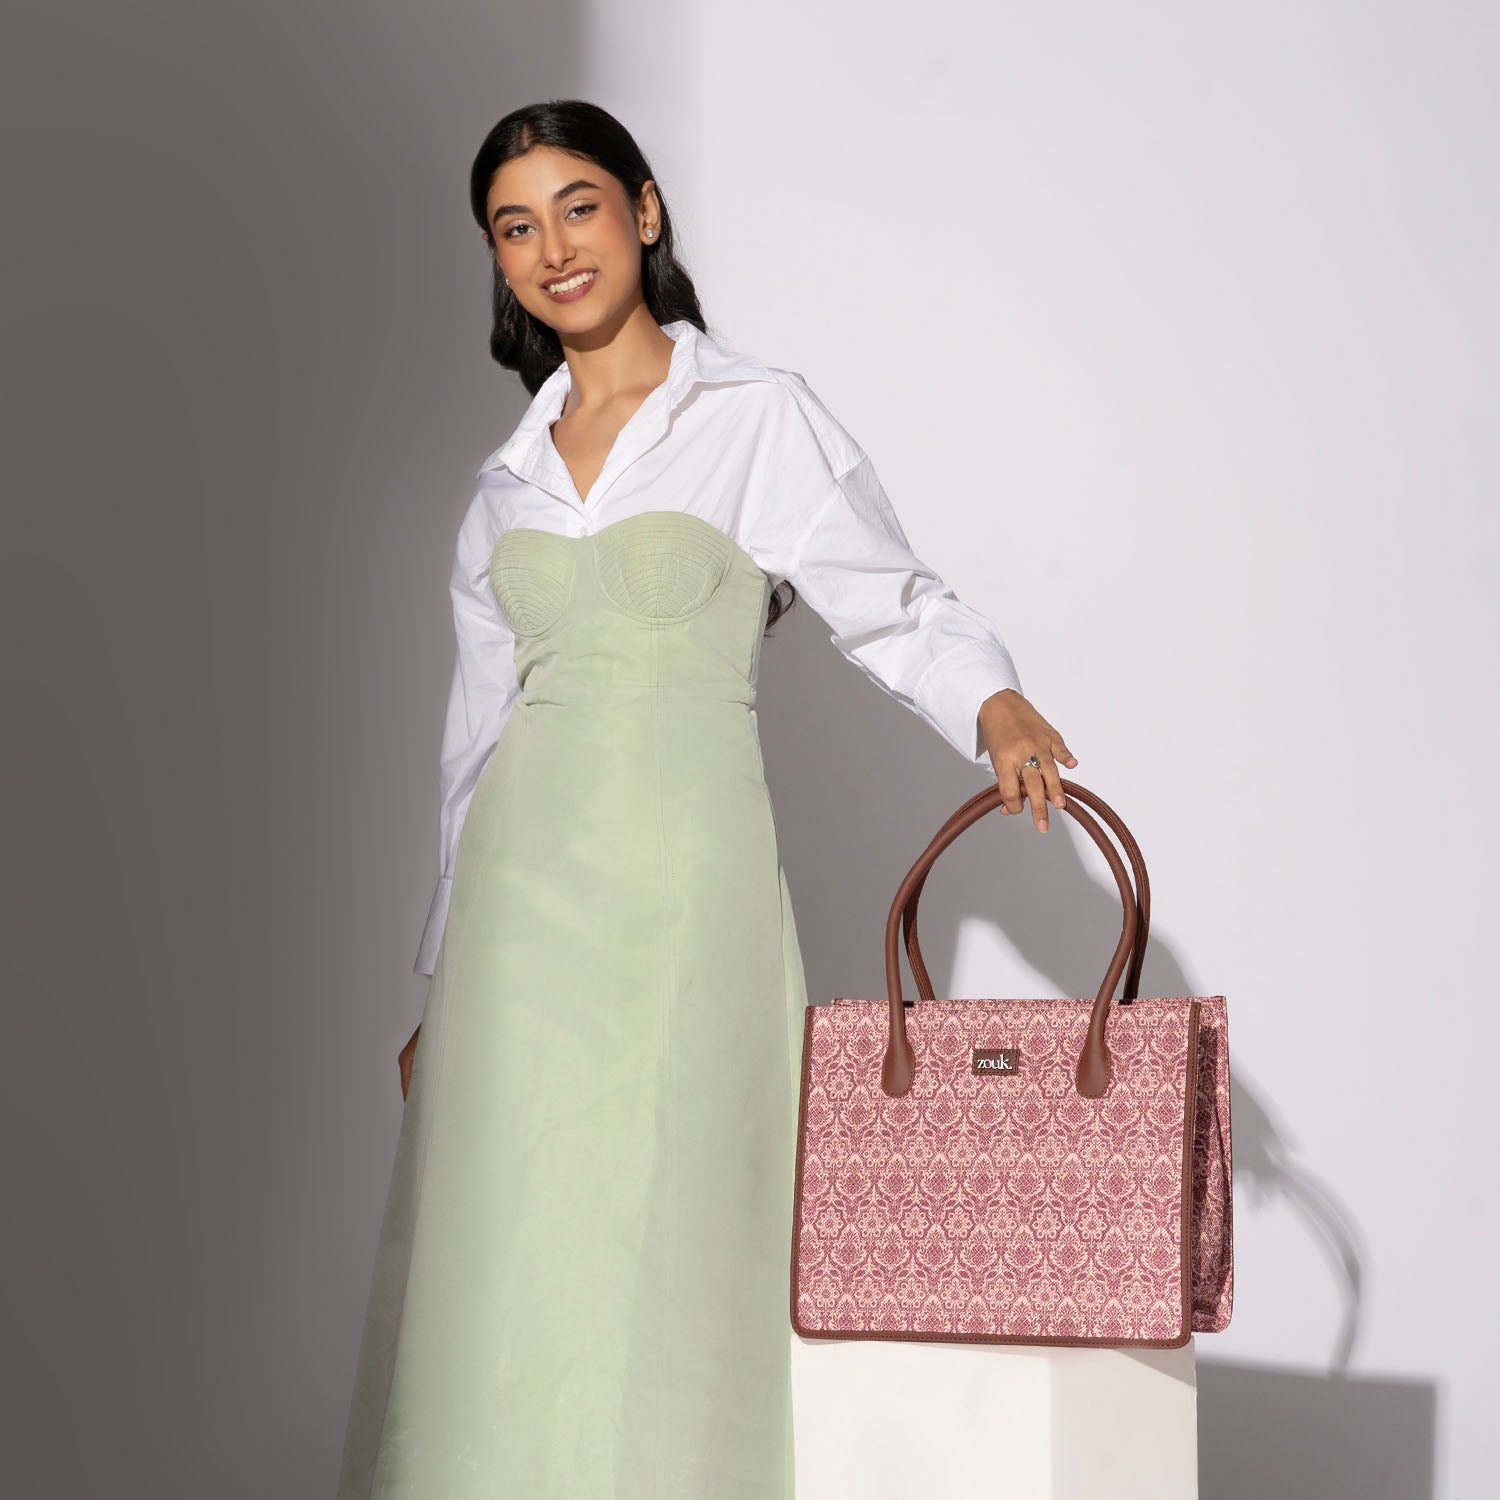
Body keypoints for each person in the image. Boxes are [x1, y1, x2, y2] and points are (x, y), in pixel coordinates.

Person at [336, 98, 1078, 1500]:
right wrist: (442, 980)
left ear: (644, 211)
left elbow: (892, 601)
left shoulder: (753, 415)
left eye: (578, 207)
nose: (554, 248)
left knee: (667, 1216)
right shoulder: (503, 484)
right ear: (496, 261)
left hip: (685, 877)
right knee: (509, 1231)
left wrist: (991, 700)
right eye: (515, 227)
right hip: (515, 911)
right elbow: (472, 743)